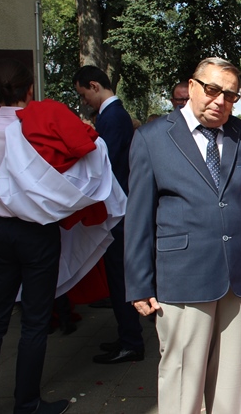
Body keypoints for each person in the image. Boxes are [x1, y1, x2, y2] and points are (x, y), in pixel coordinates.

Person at [125, 57, 241, 414]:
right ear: (191, 86)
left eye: (230, 95)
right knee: (181, 379)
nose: (220, 101)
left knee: (231, 380)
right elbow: (138, 215)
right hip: (184, 275)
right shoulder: (152, 137)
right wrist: (139, 283)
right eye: (212, 90)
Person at [0, 59, 69, 414]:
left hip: (1, 230)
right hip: (38, 231)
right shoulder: (38, 130)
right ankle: (27, 403)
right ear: (30, 90)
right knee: (34, 321)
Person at [73, 65, 144, 364]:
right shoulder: (113, 115)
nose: (84, 101)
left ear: (94, 85)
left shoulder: (112, 117)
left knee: (119, 278)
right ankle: (126, 335)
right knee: (117, 278)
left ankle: (131, 341)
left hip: (117, 210)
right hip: (118, 208)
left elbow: (106, 166)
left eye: (83, 94)